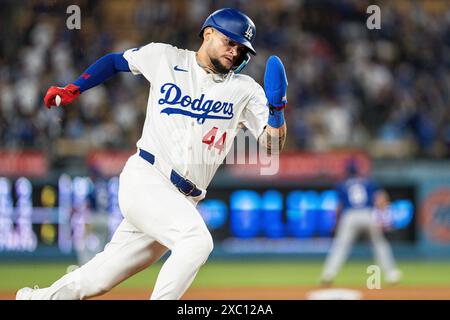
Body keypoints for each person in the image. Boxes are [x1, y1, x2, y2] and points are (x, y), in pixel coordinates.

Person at [16, 8, 288, 300]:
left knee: (98, 278)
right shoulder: (166, 58)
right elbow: (115, 61)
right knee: (196, 241)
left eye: (241, 49)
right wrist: (75, 87)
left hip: (184, 199)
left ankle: (36, 298)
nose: (234, 52)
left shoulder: (245, 89)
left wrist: (276, 113)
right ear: (208, 33)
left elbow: (272, 146)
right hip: (148, 178)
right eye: (229, 42)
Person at [319, 158, 402, 286]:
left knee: (340, 246)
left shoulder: (342, 184)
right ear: (358, 170)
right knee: (379, 244)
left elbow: (338, 207)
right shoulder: (368, 182)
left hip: (350, 216)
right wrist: (385, 218)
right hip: (368, 214)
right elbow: (381, 199)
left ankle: (328, 274)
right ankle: (391, 275)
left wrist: (335, 223)